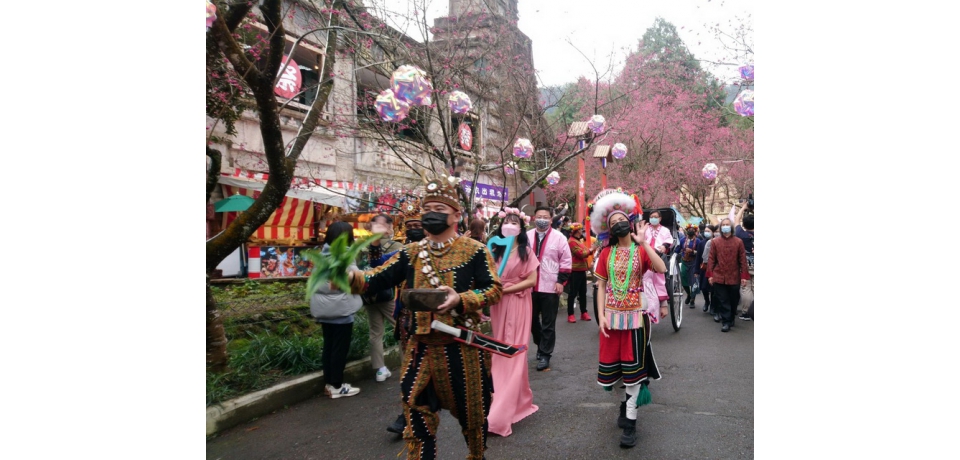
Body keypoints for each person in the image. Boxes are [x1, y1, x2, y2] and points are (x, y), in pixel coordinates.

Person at [346, 177, 502, 460]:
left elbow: (493, 288)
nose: (432, 213)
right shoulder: (410, 253)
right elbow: (375, 279)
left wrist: (462, 299)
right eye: (427, 207)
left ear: (456, 214)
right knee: (417, 422)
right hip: (420, 348)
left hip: (462, 349)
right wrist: (349, 277)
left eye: (440, 207)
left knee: (473, 419)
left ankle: (477, 455)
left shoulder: (475, 251)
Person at [589, 188, 666, 448]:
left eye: (621, 220)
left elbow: (662, 268)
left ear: (629, 222)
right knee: (619, 369)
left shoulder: (641, 249)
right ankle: (624, 405)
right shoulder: (605, 254)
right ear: (608, 229)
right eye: (613, 223)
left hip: (636, 319)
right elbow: (600, 286)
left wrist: (644, 241)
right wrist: (600, 315)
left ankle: (631, 421)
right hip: (611, 319)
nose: (618, 224)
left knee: (634, 369)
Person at [486, 208, 539, 437]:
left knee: (513, 351)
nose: (510, 224)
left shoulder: (526, 251)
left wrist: (507, 289)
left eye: (514, 221)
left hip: (518, 303)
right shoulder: (494, 248)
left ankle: (500, 413)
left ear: (521, 227)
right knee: (499, 351)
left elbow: (532, 280)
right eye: (507, 220)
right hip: (498, 305)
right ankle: (515, 400)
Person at [309, 222, 364, 399]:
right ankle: (337, 386)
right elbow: (352, 282)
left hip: (324, 308)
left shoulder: (322, 254)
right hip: (341, 308)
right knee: (340, 349)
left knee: (329, 346)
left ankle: (330, 383)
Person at [528, 205, 573, 371]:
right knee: (532, 321)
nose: (542, 219)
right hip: (530, 287)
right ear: (534, 218)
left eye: (546, 217)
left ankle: (545, 354)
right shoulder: (526, 237)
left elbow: (566, 260)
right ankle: (540, 344)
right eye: (539, 216)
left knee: (548, 323)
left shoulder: (559, 237)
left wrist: (561, 281)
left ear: (551, 219)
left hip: (550, 285)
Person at [363, 214, 405, 383]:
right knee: (402, 329)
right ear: (390, 228)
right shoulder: (397, 246)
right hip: (389, 296)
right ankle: (406, 366)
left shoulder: (364, 246)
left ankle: (380, 369)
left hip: (369, 296)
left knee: (375, 333)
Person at [706, 218, 750, 332]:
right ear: (721, 228)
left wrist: (744, 276)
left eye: (727, 224)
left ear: (731, 227)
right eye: (723, 225)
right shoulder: (715, 242)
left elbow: (742, 260)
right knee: (723, 299)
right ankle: (726, 322)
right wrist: (710, 275)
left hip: (734, 276)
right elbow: (711, 259)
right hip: (719, 275)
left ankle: (731, 318)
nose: (725, 226)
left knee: (733, 299)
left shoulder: (738, 242)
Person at [642, 210, 673, 313]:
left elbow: (668, 241)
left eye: (655, 217)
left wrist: (664, 246)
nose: (653, 218)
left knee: (659, 274)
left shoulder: (665, 230)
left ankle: (662, 300)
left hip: (659, 253)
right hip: (645, 252)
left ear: (660, 218)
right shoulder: (646, 229)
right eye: (651, 217)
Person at [566, 223, 592, 323]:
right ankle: (571, 314)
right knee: (572, 293)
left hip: (582, 270)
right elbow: (580, 254)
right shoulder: (571, 241)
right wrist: (590, 250)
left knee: (583, 292)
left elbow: (584, 252)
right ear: (576, 231)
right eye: (581, 229)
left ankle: (583, 312)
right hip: (575, 271)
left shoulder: (578, 241)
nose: (582, 231)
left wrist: (589, 250)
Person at [674, 224, 702, 309]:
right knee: (683, 279)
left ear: (695, 231)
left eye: (692, 229)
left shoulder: (698, 241)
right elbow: (677, 250)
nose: (690, 230)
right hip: (684, 262)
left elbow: (700, 252)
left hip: (694, 262)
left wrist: (693, 251)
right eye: (689, 229)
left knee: (694, 282)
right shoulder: (682, 240)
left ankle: (692, 299)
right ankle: (689, 295)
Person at [699, 225, 718, 315]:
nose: (706, 232)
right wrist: (696, 270)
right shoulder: (702, 243)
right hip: (705, 268)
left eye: (708, 231)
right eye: (705, 231)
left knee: (714, 289)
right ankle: (707, 301)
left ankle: (713, 306)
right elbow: (699, 257)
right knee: (704, 288)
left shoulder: (717, 241)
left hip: (715, 268)